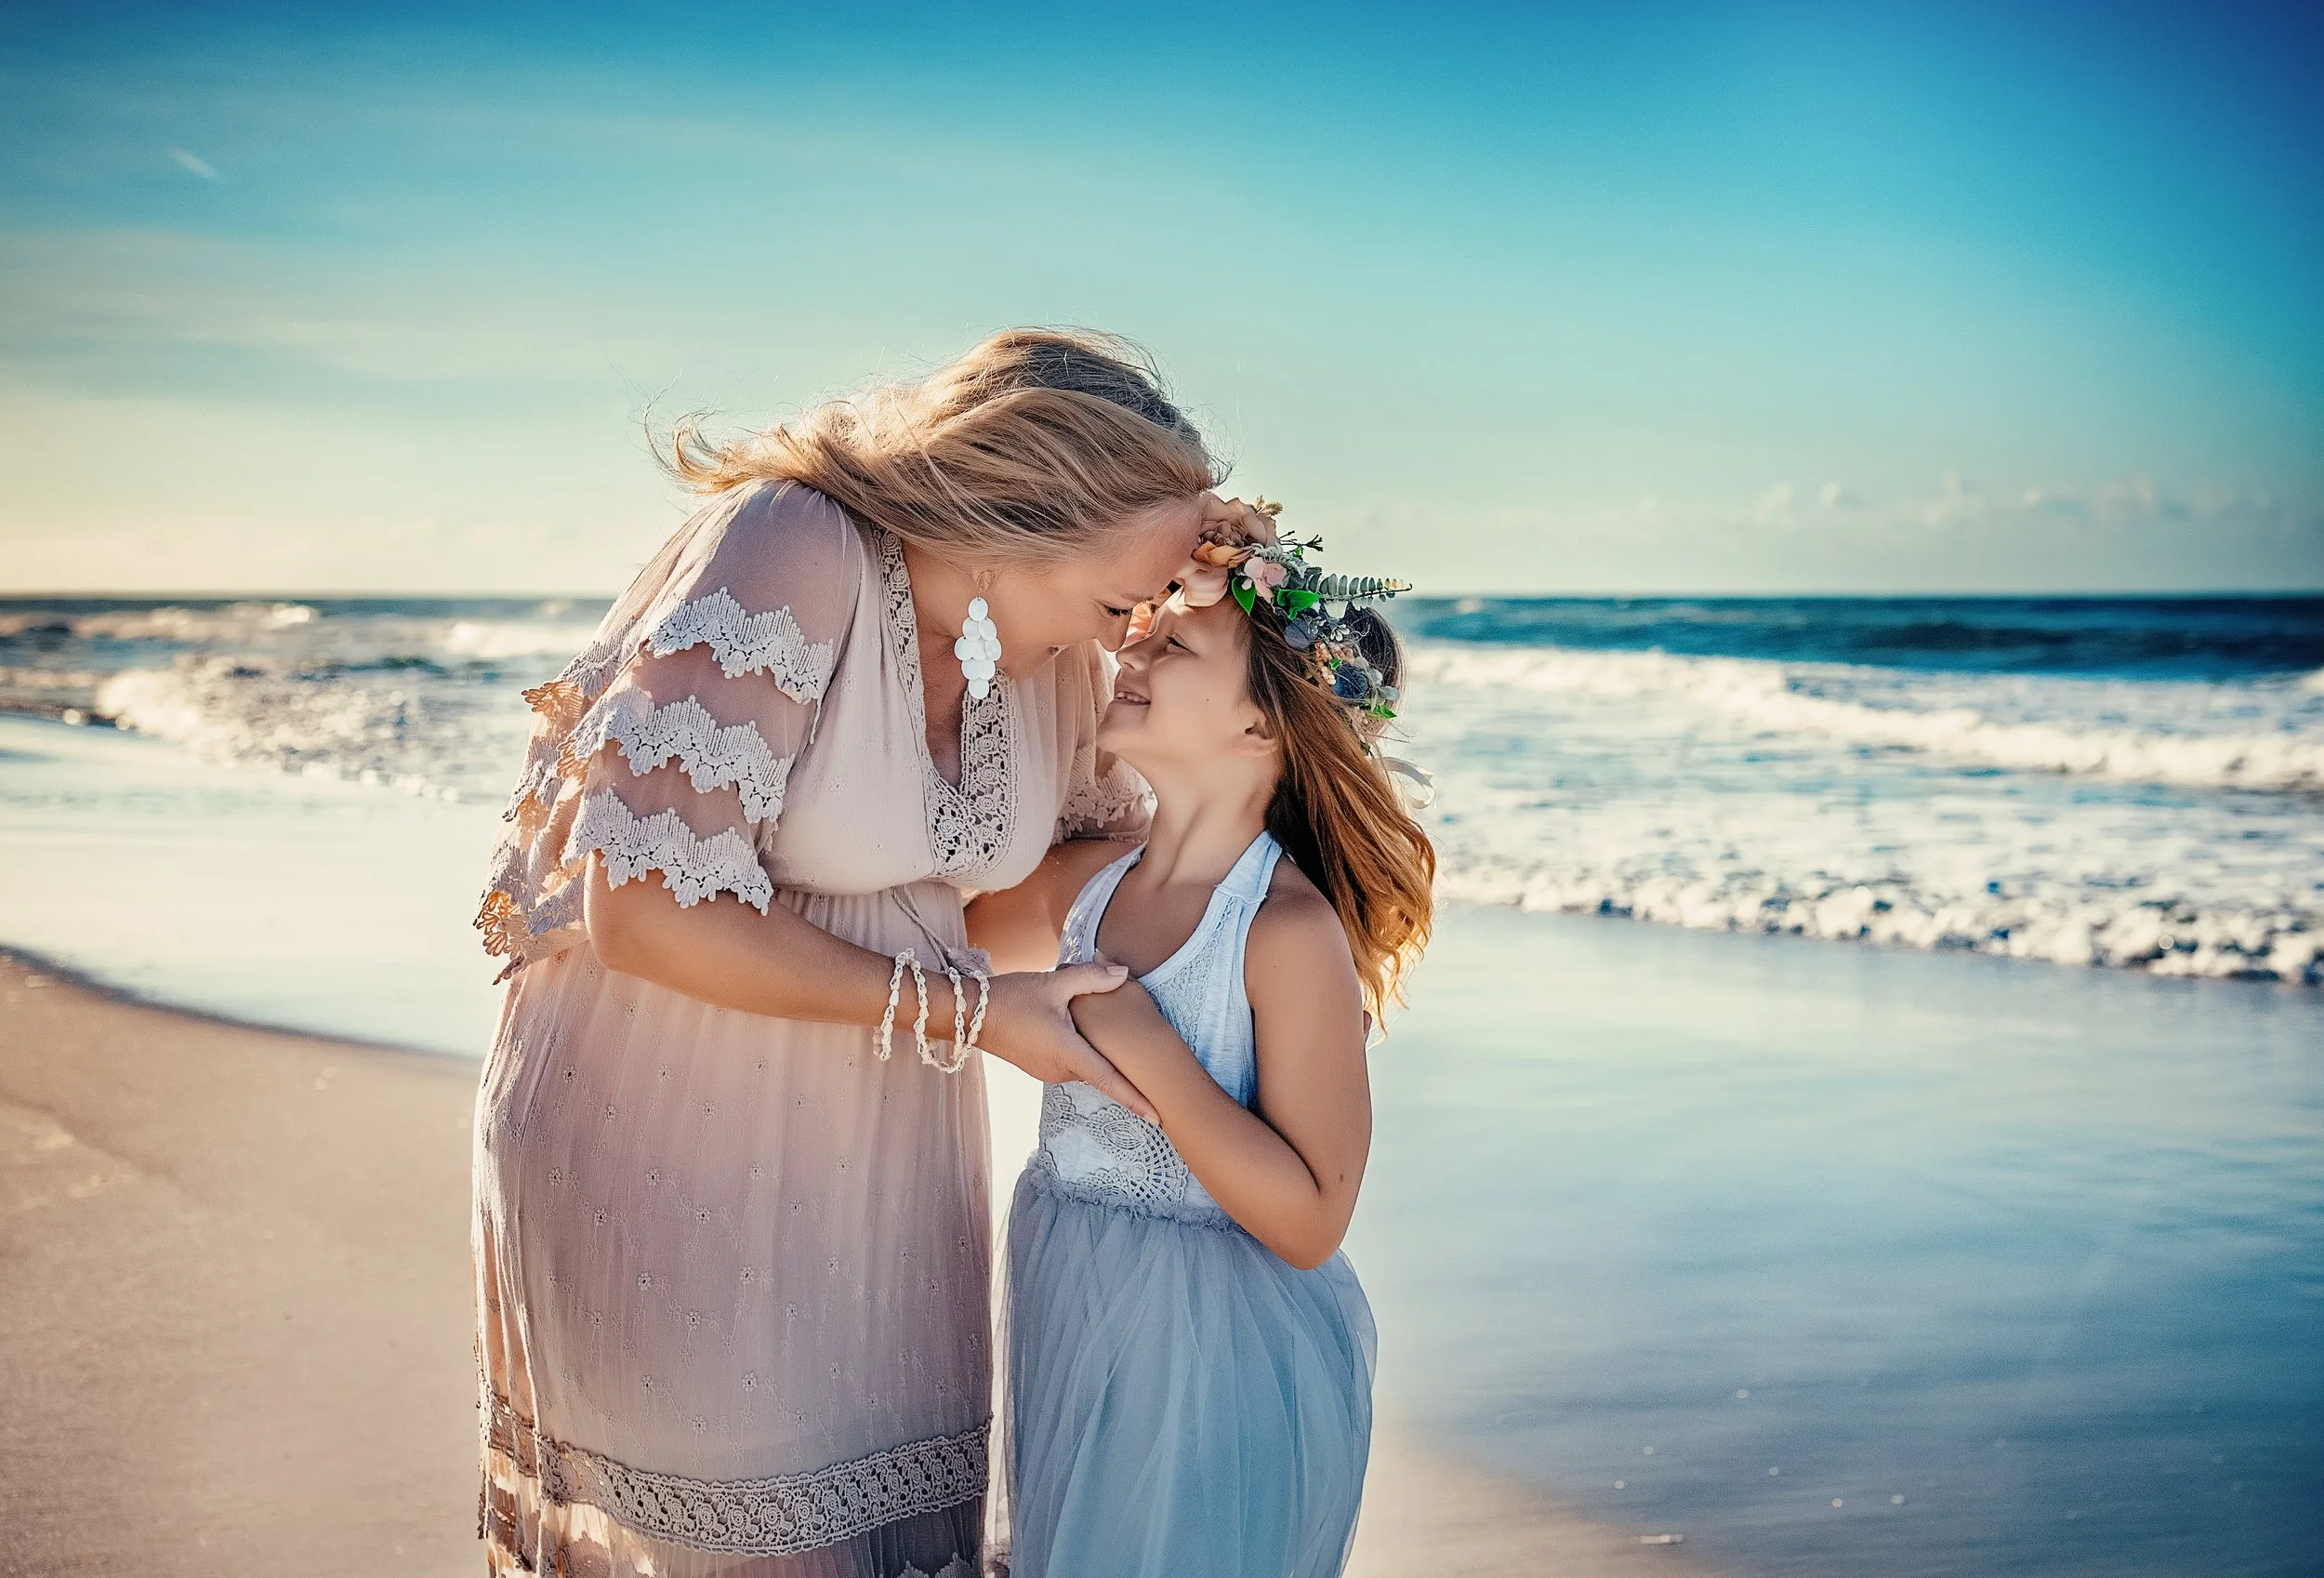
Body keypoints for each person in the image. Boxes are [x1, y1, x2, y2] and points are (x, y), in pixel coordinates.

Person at [470, 329, 1224, 1578]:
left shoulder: (1043, 651)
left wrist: (1253, 883)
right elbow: (644, 909)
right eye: (1121, 598)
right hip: (666, 1132)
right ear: (1020, 517)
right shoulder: (797, 546)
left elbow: (1009, 904)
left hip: (881, 1158)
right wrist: (979, 1018)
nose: (1137, 629)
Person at [967, 502, 1436, 1578]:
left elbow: (1312, 1217)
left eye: (1170, 640)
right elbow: (924, 929)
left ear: (1261, 728)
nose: (1131, 644)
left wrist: (1150, 1048)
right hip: (1069, 1289)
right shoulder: (1087, 884)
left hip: (1216, 1349)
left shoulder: (1282, 930)